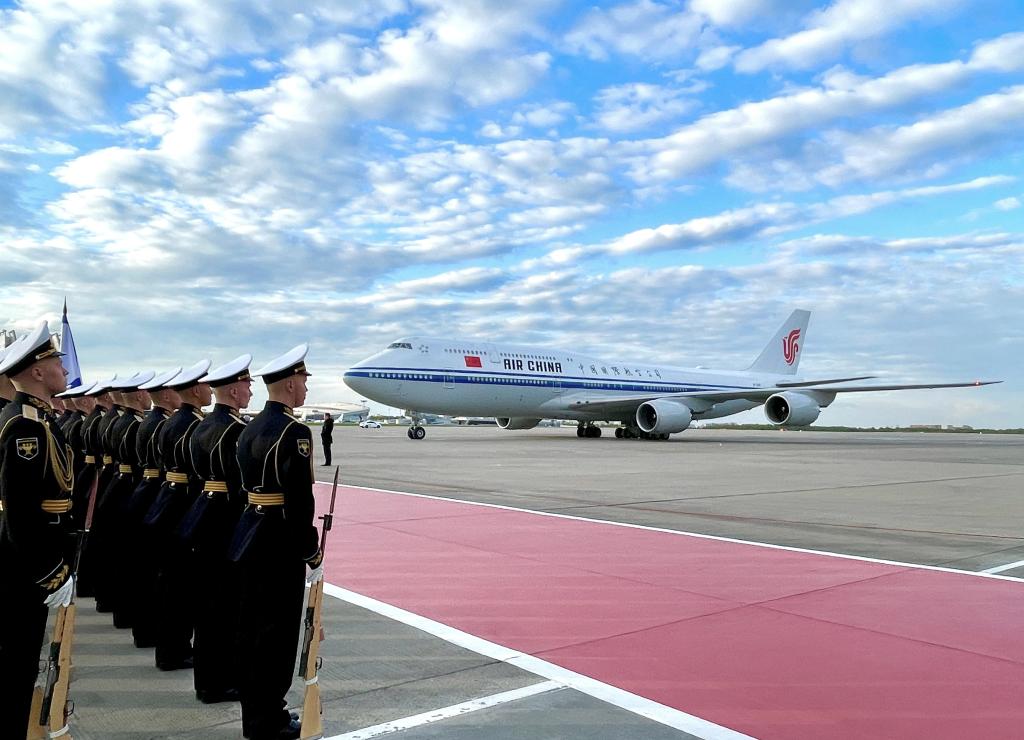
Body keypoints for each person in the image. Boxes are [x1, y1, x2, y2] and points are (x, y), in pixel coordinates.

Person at [230, 344, 321, 740]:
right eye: (303, 380)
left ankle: (255, 715)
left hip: (249, 532)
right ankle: (270, 719)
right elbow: (299, 501)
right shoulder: (294, 431)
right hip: (279, 541)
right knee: (277, 635)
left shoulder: (249, 426)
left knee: (252, 631)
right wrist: (311, 549)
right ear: (289, 384)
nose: (306, 388)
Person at [0, 322, 75, 739]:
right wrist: (50, 571)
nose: (64, 369)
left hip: (35, 553)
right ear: (38, 371)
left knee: (23, 661)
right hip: (24, 564)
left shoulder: (38, 419)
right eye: (56, 362)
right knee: (17, 662)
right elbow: (21, 511)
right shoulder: (24, 426)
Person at [180, 354, 252, 704]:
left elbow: (195, 474)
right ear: (234, 391)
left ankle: (207, 680)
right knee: (226, 608)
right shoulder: (236, 430)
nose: (250, 391)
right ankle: (220, 682)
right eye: (247, 385)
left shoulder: (203, 425)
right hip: (228, 520)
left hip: (203, 514)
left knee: (207, 605)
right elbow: (242, 485)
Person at [144, 359, 211, 670]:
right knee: (183, 586)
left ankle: (169, 648)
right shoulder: (193, 425)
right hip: (186, 504)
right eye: (207, 385)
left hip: (167, 499)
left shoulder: (169, 422)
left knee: (170, 582)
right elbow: (199, 471)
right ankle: (175, 650)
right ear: (196, 390)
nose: (210, 390)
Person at [127, 368, 182, 648]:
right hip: (160, 492)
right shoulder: (161, 424)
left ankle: (144, 629)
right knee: (158, 571)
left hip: (145, 489)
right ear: (167, 395)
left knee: (145, 567)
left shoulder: (150, 421)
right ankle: (151, 630)